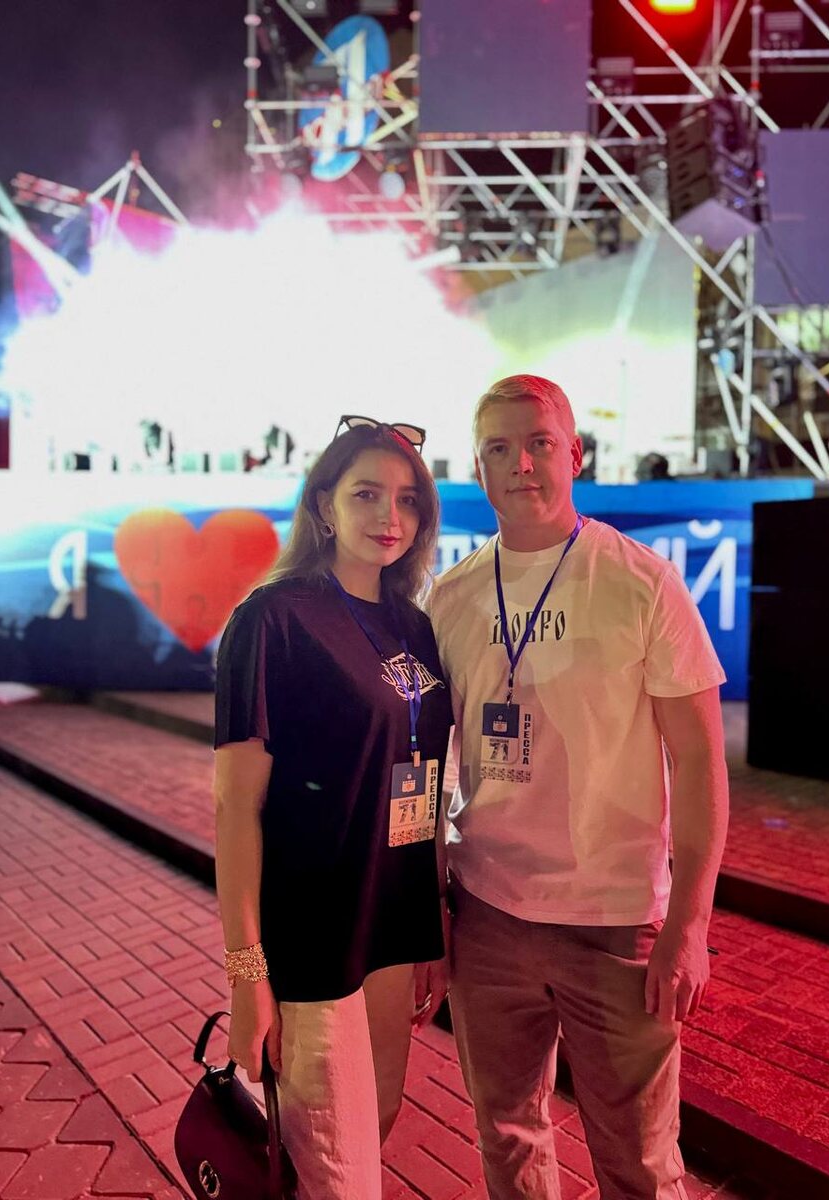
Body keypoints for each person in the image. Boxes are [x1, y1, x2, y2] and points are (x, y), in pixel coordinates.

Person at [429, 376, 729, 1200]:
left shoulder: (641, 584)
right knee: (507, 1139)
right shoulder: (450, 597)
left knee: (640, 1166)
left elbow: (701, 765)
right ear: (479, 470)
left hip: (615, 924)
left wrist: (690, 925)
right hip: (486, 917)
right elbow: (428, 765)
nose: (521, 464)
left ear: (576, 454)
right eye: (499, 449)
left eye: (539, 443)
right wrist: (430, 907)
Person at [214, 416, 453, 1200]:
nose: (390, 516)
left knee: (372, 1128)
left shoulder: (414, 625)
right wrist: (248, 975)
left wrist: (434, 916)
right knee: (336, 1171)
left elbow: (424, 774)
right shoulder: (273, 619)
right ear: (323, 505)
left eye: (408, 500)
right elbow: (235, 809)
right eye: (366, 494)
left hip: (395, 927)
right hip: (313, 938)